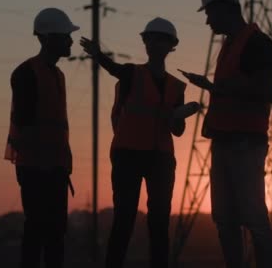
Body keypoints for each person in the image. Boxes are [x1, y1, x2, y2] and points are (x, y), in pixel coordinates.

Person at [81, 17, 199, 268]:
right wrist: (98, 55)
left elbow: (177, 131)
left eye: (160, 40)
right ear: (146, 44)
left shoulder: (177, 87)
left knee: (159, 223)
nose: (155, 44)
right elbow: (113, 68)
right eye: (151, 39)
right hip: (129, 156)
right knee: (124, 220)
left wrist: (177, 116)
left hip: (161, 160)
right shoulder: (132, 74)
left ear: (171, 46)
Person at [180, 0, 272, 268]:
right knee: (224, 220)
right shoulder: (231, 45)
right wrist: (212, 89)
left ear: (226, 7)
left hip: (246, 143)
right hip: (224, 142)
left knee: (254, 219)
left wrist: (217, 88)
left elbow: (268, 91)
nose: (208, 20)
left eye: (209, 12)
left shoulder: (257, 43)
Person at [4, 7, 79, 268]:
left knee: (56, 235)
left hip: (55, 168)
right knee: (37, 231)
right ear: (48, 38)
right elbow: (26, 125)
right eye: (65, 36)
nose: (70, 41)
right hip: (36, 168)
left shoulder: (57, 75)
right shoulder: (26, 73)